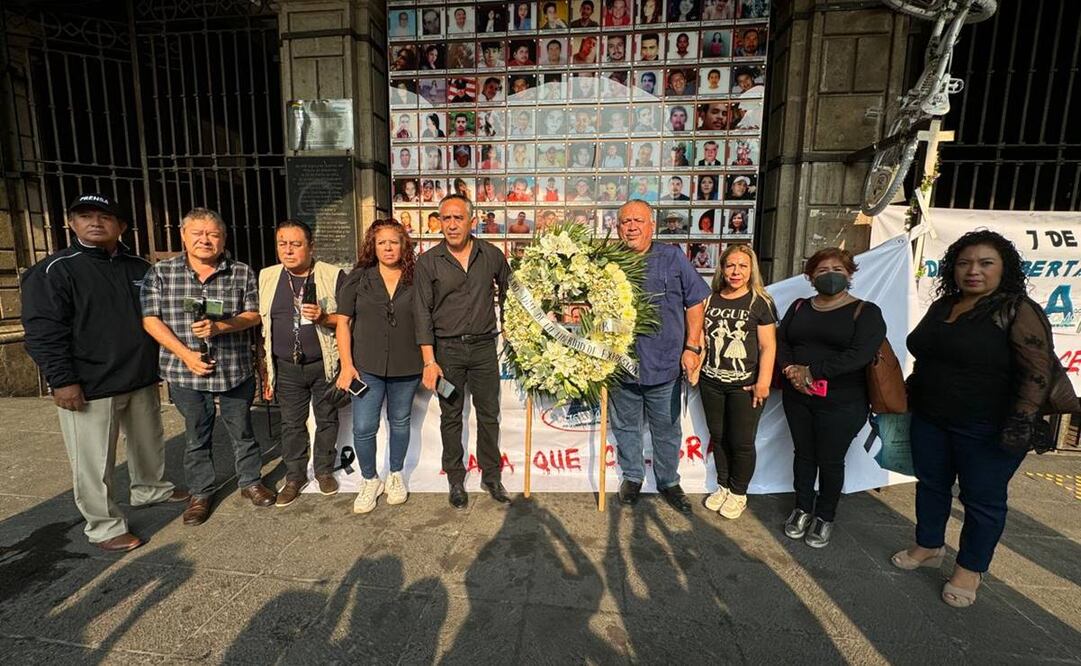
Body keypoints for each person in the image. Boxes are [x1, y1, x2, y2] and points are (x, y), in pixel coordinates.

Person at [893, 230, 1079, 607]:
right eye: (964, 263)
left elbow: (1037, 371)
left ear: (1003, 268)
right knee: (930, 485)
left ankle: (970, 568)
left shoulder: (1016, 309)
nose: (973, 271)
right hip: (931, 417)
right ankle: (929, 545)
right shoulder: (943, 306)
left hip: (987, 425)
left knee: (982, 501)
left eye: (985, 263)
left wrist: (1021, 423)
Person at [21, 193, 187, 552]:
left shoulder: (139, 267)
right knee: (94, 460)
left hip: (139, 376)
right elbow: (43, 331)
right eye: (85, 215)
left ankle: (150, 489)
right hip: (90, 384)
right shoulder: (55, 270)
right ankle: (103, 524)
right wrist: (62, 380)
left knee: (148, 443)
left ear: (121, 226)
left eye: (105, 217)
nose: (95, 222)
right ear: (71, 222)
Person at [141, 208, 274, 525]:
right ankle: (201, 492)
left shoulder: (241, 272)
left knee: (242, 430)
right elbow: (150, 319)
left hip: (233, 368)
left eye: (213, 234)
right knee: (196, 434)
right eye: (198, 233)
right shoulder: (161, 273)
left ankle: (250, 482)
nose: (205, 240)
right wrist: (186, 354)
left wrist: (222, 327)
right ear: (183, 236)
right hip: (184, 370)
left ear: (223, 238)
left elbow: (254, 315)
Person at [776, 247, 887, 547]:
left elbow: (860, 354)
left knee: (831, 460)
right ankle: (802, 508)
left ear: (850, 274)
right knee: (804, 454)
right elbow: (782, 341)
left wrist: (812, 371)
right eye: (822, 271)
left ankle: (824, 516)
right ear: (810, 277)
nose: (830, 275)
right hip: (797, 396)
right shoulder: (800, 307)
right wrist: (790, 370)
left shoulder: (865, 312)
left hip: (843, 401)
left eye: (837, 269)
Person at [609, 199, 710, 513]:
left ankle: (668, 481)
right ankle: (633, 476)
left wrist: (692, 347)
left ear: (652, 225)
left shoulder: (672, 257)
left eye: (638, 220)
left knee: (666, 429)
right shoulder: (608, 262)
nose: (632, 226)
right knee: (625, 427)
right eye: (626, 221)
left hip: (664, 364)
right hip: (621, 365)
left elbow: (695, 302)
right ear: (617, 227)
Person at [414, 195, 512, 509]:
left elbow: (511, 291)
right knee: (451, 416)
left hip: (484, 348)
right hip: (447, 352)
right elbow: (422, 314)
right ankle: (455, 479)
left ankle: (491, 476)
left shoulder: (492, 255)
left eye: (458, 218)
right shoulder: (428, 262)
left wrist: (510, 325)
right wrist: (429, 361)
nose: (452, 225)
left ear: (472, 221)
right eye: (446, 219)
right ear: (439, 223)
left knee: (488, 414)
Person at [334, 220, 423, 514]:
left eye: (394, 242)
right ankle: (370, 479)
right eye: (381, 242)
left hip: (406, 365)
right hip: (366, 367)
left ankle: (395, 474)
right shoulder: (358, 278)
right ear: (373, 245)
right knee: (363, 427)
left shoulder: (416, 276)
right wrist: (346, 365)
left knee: (400, 423)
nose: (388, 248)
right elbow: (343, 323)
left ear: (403, 245)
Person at [257, 220, 344, 506]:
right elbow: (264, 326)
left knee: (326, 419)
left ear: (310, 246)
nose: (288, 250)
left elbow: (346, 322)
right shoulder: (267, 277)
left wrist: (323, 317)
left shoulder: (332, 275)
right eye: (282, 243)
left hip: (323, 363)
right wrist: (266, 368)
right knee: (291, 423)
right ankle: (294, 475)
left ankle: (323, 470)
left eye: (296, 244)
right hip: (286, 366)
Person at [697, 245, 776, 519]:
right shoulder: (711, 299)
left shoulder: (759, 302)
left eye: (742, 266)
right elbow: (702, 340)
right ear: (722, 268)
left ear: (751, 269)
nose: (736, 272)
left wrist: (763, 382)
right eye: (730, 265)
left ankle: (739, 492)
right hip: (711, 382)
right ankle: (723, 485)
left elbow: (768, 346)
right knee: (717, 436)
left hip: (745, 385)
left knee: (741, 441)